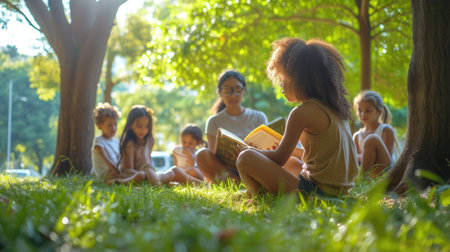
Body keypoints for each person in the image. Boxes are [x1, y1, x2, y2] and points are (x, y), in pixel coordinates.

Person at [236, 38, 359, 197]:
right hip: (338, 191)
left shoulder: (301, 113)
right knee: (293, 163)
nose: (280, 86)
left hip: (317, 193)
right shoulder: (336, 109)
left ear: (299, 80)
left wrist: (250, 150)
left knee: (246, 158)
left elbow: (279, 158)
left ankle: (255, 194)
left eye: (283, 80)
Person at [196, 70, 268, 183]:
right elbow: (211, 155)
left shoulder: (259, 117)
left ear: (244, 90)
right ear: (220, 93)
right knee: (202, 154)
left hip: (254, 168)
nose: (233, 95)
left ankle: (249, 183)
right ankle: (240, 184)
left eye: (237, 89)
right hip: (228, 171)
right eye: (227, 90)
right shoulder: (214, 121)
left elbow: (266, 150)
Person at [119, 105, 202, 185]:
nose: (143, 130)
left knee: (172, 173)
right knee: (172, 171)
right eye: (139, 126)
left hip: (150, 174)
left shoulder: (149, 141)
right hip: (136, 175)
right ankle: (201, 184)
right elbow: (127, 170)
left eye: (146, 127)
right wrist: (147, 173)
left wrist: (151, 173)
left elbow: (149, 163)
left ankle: (199, 183)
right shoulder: (129, 143)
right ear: (130, 125)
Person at [92, 103, 145, 185]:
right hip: (109, 173)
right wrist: (116, 171)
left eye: (115, 124)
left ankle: (147, 177)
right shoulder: (99, 141)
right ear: (99, 126)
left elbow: (119, 158)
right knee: (136, 175)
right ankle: (118, 181)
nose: (113, 128)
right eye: (109, 125)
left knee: (136, 173)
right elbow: (106, 159)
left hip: (117, 170)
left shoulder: (116, 141)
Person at [353, 90, 398, 177]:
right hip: (367, 171)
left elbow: (387, 161)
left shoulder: (386, 130)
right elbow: (356, 159)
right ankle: (362, 177)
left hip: (383, 171)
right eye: (360, 110)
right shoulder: (357, 136)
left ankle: (362, 180)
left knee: (372, 139)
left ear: (379, 112)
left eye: (368, 110)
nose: (363, 114)